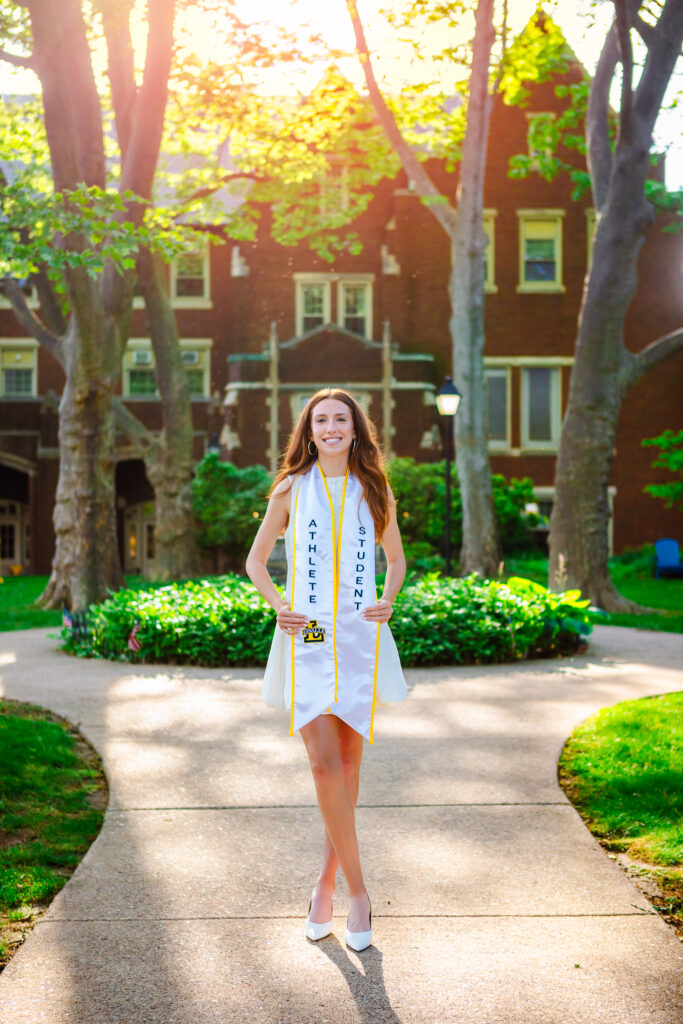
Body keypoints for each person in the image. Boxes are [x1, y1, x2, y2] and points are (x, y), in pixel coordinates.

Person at [246, 387, 407, 952]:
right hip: (307, 638)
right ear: (309, 432)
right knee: (322, 768)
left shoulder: (374, 487)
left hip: (360, 638)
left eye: (342, 418)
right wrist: (279, 605)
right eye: (322, 420)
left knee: (347, 766)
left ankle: (323, 883)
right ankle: (358, 894)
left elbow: (396, 560)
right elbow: (255, 560)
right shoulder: (292, 488)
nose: (332, 427)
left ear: (356, 429)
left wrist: (388, 599)